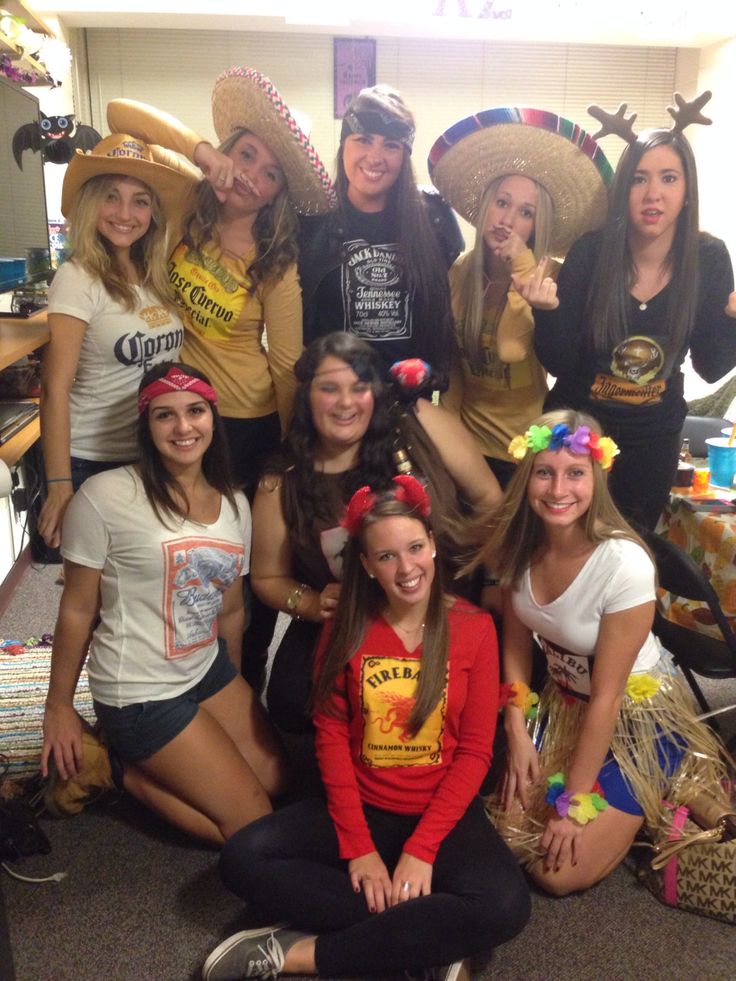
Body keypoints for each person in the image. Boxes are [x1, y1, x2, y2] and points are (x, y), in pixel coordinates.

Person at [202, 479, 530, 981]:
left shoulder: (474, 628)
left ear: (433, 545)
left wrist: (421, 852)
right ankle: (426, 940)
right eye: (387, 556)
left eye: (415, 548)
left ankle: (301, 954)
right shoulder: (346, 627)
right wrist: (359, 847)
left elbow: (475, 754)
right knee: (242, 858)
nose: (407, 568)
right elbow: (329, 738)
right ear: (366, 565)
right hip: (363, 806)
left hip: (441, 812)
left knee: (507, 905)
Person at [479, 408, 731, 895]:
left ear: (598, 476)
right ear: (525, 477)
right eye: (544, 473)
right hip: (568, 703)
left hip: (637, 716)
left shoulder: (623, 564)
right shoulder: (517, 546)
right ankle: (646, 796)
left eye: (575, 474)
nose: (558, 491)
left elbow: (608, 699)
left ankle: (667, 773)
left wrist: (573, 807)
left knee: (556, 874)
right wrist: (516, 728)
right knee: (510, 836)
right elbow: (514, 644)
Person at [41, 362, 287, 845]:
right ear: (145, 424)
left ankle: (161, 749)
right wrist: (58, 706)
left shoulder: (235, 504)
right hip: (139, 691)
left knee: (278, 781)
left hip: (204, 669)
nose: (183, 427)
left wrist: (230, 684)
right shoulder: (106, 496)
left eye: (195, 411)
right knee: (252, 827)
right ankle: (111, 767)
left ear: (213, 418)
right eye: (164, 415)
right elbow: (76, 609)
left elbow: (231, 609)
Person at [251, 332, 502, 731]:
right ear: (306, 397)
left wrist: (494, 578)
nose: (346, 402)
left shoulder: (421, 423)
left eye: (359, 387)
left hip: (449, 606)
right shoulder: (281, 481)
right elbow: (267, 577)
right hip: (355, 624)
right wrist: (311, 602)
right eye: (329, 388)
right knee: (290, 698)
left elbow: (490, 500)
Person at [108, 66, 336, 493]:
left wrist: (291, 448)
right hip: (173, 404)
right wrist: (203, 154)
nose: (252, 175)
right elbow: (119, 113)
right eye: (247, 154)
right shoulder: (183, 202)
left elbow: (286, 365)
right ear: (229, 149)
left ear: (277, 194)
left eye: (271, 174)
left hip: (242, 418)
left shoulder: (275, 261)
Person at [522, 92, 736, 529]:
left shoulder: (709, 258)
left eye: (669, 178)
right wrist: (546, 313)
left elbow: (712, 366)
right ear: (623, 189)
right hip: (578, 437)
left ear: (687, 190)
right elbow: (560, 362)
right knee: (563, 549)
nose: (653, 194)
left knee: (629, 557)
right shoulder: (591, 253)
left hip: (651, 444)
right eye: (639, 179)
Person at [428, 106, 612, 487]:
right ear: (486, 207)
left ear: (537, 224)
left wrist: (522, 266)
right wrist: (446, 446)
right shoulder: (460, 272)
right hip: (466, 447)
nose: (508, 220)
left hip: (527, 450)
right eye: (502, 203)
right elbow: (454, 371)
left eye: (525, 212)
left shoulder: (552, 280)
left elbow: (518, 348)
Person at [37, 133, 195, 548]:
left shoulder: (154, 275)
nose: (125, 213)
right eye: (112, 196)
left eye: (140, 200)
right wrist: (58, 483)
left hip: (152, 455)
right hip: (94, 459)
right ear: (91, 203)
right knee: (92, 598)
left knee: (140, 585)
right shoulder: (78, 278)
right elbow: (55, 389)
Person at [298, 84, 463, 382]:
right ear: (343, 145)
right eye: (363, 140)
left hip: (411, 406)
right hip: (335, 404)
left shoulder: (434, 219)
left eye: (391, 145)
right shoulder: (311, 223)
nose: (375, 157)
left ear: (404, 155)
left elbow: (448, 318)